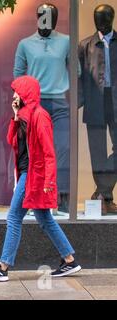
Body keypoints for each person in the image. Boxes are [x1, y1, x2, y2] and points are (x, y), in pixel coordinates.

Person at [0, 76, 81, 282]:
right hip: (28, 173)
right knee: (45, 219)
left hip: (34, 175)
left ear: (26, 93)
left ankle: (3, 267)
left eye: (17, 91)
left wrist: (49, 182)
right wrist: (15, 117)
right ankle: (69, 260)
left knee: (14, 217)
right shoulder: (24, 116)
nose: (13, 95)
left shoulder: (40, 116)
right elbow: (10, 140)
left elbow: (49, 152)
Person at [14, 3, 71, 213]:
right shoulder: (26, 44)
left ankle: (61, 198)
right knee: (34, 153)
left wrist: (62, 83)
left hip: (59, 103)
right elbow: (18, 73)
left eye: (50, 17)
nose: (47, 20)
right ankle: (33, 199)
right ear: (37, 18)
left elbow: (77, 71)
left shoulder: (66, 41)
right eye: (43, 16)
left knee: (62, 149)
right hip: (35, 104)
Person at [79, 4, 117, 215]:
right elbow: (79, 78)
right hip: (95, 102)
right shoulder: (85, 45)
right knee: (98, 153)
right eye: (96, 19)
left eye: (103, 18)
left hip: (116, 100)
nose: (99, 23)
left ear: (112, 19)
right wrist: (75, 102)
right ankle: (106, 199)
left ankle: (101, 193)